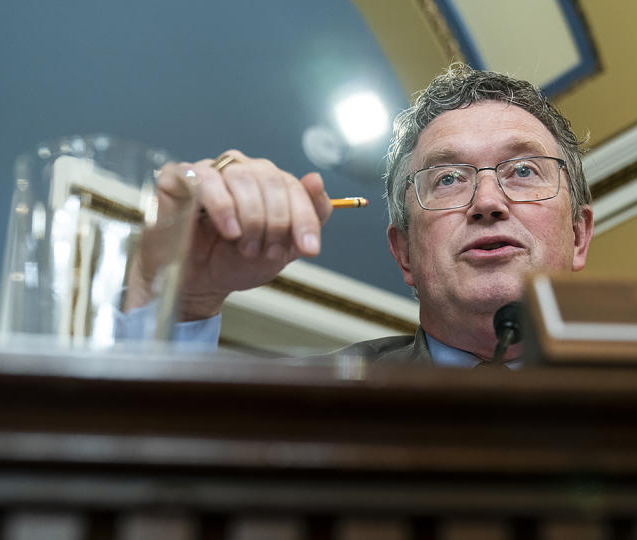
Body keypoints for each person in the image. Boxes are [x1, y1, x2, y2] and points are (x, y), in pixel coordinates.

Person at [152, 64, 594, 366]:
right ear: (404, 254)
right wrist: (185, 299)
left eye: (522, 171)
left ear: (579, 235)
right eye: (447, 179)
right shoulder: (305, 406)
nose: (487, 202)